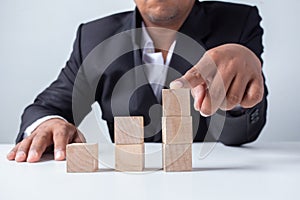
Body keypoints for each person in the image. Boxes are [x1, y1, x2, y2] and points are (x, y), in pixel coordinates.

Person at [7, 0, 268, 163]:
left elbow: (240, 135)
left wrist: (239, 96)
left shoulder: (237, 24)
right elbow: (47, 107)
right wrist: (50, 123)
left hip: (213, 183)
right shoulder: (94, 37)